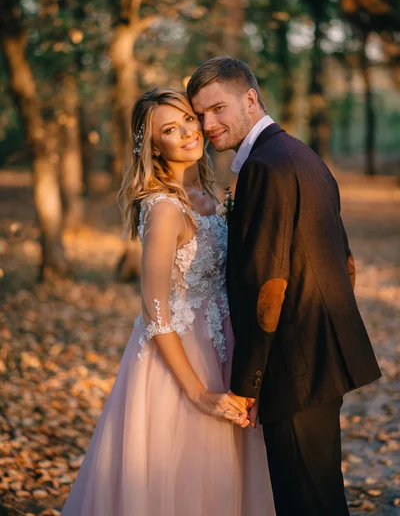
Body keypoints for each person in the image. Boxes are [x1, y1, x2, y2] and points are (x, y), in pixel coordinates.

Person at [60, 88, 275, 516]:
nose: (187, 133)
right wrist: (197, 393)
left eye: (188, 120)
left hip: (226, 345)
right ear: (153, 146)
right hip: (181, 361)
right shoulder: (163, 209)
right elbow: (154, 312)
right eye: (169, 130)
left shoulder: (211, 196)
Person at [187, 57, 382, 516]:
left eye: (218, 109)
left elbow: (267, 285)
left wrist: (247, 382)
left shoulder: (266, 167)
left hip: (293, 365)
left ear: (250, 98)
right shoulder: (298, 153)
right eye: (199, 114)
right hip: (320, 355)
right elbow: (344, 261)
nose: (207, 124)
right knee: (318, 492)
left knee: (305, 501)